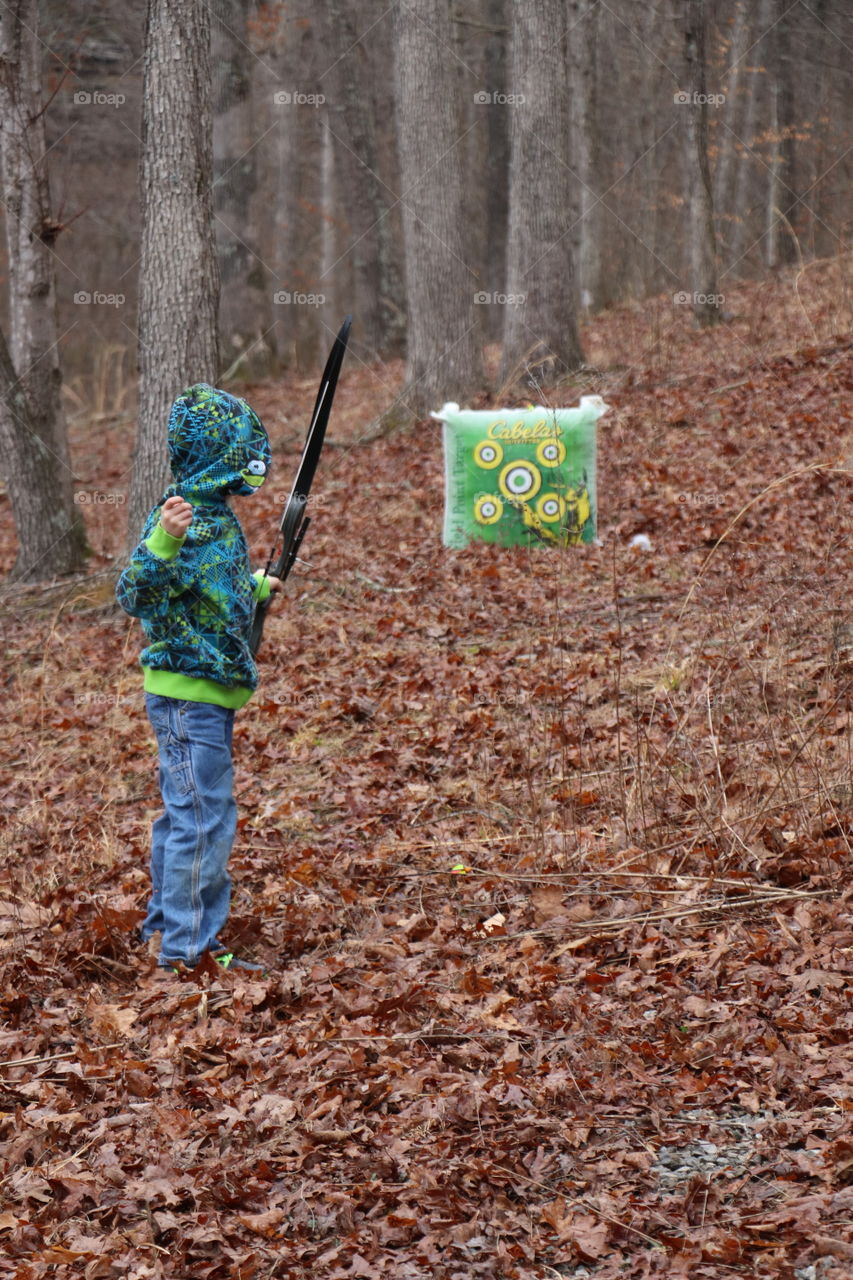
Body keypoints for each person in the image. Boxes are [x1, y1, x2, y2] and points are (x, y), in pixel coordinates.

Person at [117, 383, 281, 976]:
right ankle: (187, 952)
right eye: (237, 456)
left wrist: (255, 588)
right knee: (204, 820)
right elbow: (135, 594)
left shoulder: (217, 518)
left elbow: (212, 592)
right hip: (188, 698)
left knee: (182, 814)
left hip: (208, 694)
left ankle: (166, 923)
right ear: (215, 457)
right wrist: (165, 537)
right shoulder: (180, 516)